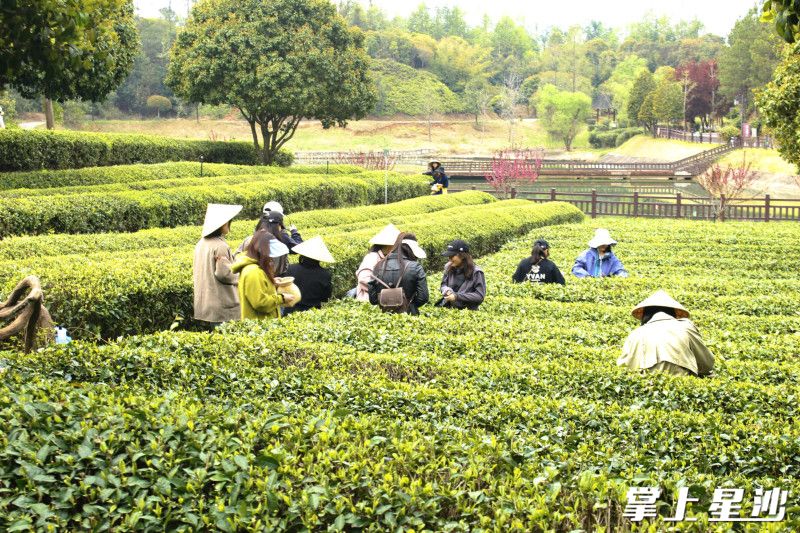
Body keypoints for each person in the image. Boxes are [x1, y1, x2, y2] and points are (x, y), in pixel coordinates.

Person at [617, 290, 714, 377]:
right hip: (680, 383)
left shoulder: (635, 334)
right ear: (673, 312)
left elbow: (624, 367)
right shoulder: (685, 327)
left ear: (645, 315)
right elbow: (706, 363)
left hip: (645, 385)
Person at [193, 203, 243, 328]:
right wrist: (242, 273)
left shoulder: (201, 243)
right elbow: (225, 274)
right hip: (222, 305)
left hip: (206, 303)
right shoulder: (220, 246)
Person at [231, 230, 297, 320]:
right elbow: (260, 303)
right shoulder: (253, 272)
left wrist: (271, 282)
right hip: (259, 322)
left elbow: (258, 290)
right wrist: (282, 298)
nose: (271, 258)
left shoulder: (255, 269)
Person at [368, 232, 429, 315]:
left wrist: (387, 302)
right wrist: (408, 304)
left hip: (384, 317)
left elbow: (373, 299)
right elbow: (423, 297)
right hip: (410, 316)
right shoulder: (416, 267)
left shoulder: (378, 266)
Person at [236, 207, 302, 276]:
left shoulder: (249, 239)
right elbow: (297, 247)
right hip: (265, 280)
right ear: (277, 226)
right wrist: (294, 232)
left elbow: (236, 258)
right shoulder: (279, 243)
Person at [285, 236, 335, 314]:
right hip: (313, 313)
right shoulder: (325, 275)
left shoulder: (290, 268)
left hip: (289, 311)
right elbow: (325, 298)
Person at [355, 223, 401, 302]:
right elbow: (363, 279)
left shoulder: (389, 257)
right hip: (369, 300)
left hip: (386, 300)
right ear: (388, 245)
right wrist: (383, 290)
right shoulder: (372, 257)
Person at [437, 239, 486, 310]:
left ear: (462, 256)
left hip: (468, 312)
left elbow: (479, 296)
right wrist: (447, 290)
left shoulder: (476, 272)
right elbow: (443, 284)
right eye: (448, 256)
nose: (449, 259)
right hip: (450, 309)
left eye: (452, 256)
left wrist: (457, 296)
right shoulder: (448, 267)